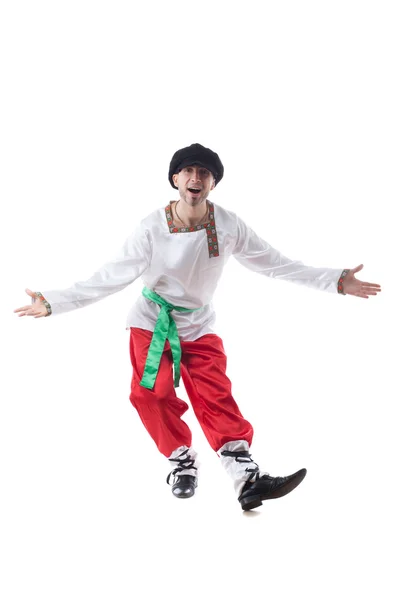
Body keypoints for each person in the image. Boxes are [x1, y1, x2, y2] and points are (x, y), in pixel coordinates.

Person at [14, 143, 382, 511]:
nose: (195, 178)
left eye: (204, 173)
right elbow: (109, 277)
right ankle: (182, 463)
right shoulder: (150, 229)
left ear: (213, 183)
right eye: (188, 171)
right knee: (150, 395)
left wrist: (334, 280)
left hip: (199, 325)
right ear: (175, 179)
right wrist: (53, 302)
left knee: (216, 395)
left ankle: (246, 478)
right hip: (151, 323)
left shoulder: (228, 224)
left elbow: (275, 263)